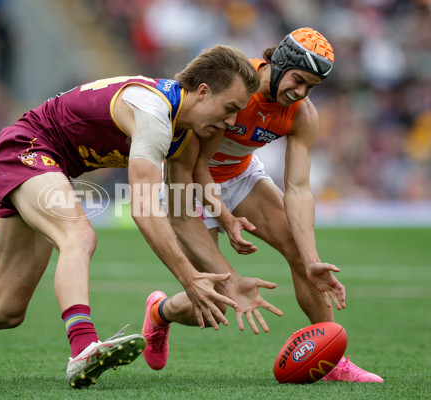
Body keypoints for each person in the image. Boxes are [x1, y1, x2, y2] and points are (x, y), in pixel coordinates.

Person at [0, 44, 283, 388]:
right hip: (27, 148)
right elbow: (144, 208)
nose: (232, 122)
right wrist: (188, 279)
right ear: (204, 91)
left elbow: (178, 215)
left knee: (2, 310)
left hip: (49, 167)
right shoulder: (155, 114)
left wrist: (229, 277)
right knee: (79, 236)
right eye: (230, 108)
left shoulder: (186, 135)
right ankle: (83, 347)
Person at [142, 28, 384, 382]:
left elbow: (299, 188)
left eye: (311, 87)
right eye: (299, 80)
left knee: (302, 256)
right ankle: (160, 312)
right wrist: (225, 218)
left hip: (241, 178)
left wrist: (313, 257)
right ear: (281, 61)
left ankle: (331, 360)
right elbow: (194, 164)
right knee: (214, 297)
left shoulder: (302, 114)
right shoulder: (236, 86)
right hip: (188, 182)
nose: (301, 92)